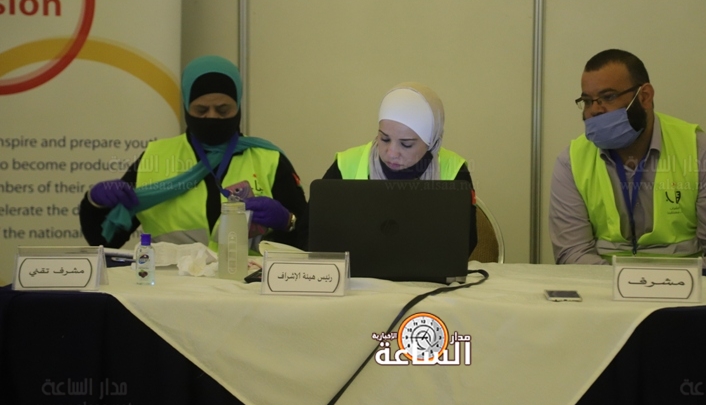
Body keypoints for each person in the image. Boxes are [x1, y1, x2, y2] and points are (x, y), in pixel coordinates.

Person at [80, 55, 308, 251]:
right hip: (172, 284)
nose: (212, 117)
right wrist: (94, 203)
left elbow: (309, 241)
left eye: (223, 110)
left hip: (247, 284)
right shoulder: (155, 157)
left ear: (238, 107)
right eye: (201, 110)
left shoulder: (269, 159)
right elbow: (104, 241)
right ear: (186, 107)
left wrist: (288, 222)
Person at [549, 49, 706, 268]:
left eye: (608, 97)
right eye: (587, 101)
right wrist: (622, 283)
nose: (595, 110)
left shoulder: (700, 152)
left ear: (644, 96)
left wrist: (677, 282)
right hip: (603, 285)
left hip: (690, 286)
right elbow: (572, 252)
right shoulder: (572, 162)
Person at [298, 82, 477, 252]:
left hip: (425, 274)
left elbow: (464, 242)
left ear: (432, 143)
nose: (391, 153)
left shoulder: (454, 170)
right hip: (356, 272)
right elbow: (308, 234)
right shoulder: (346, 164)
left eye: (406, 144)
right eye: (384, 139)